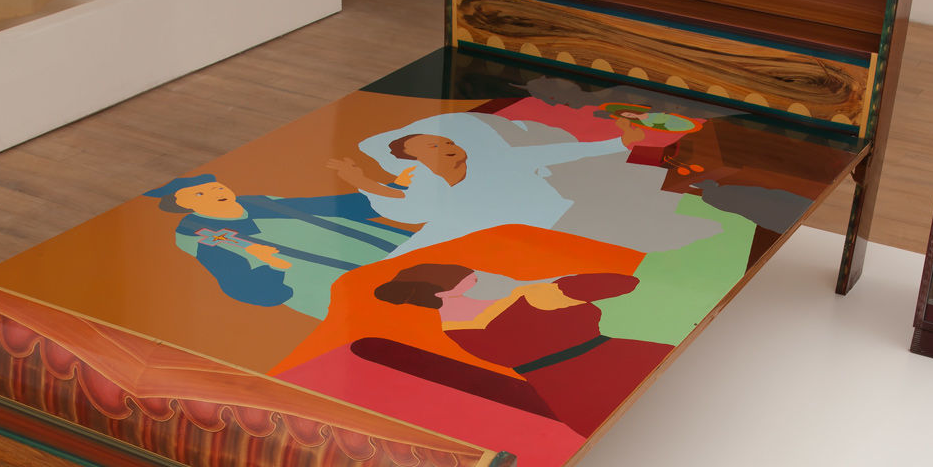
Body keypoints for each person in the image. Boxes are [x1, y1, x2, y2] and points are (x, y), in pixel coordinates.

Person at [329, 112, 720, 256]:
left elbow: (567, 153)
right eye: (432, 147)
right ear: (418, 161)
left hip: (561, 224)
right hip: (494, 242)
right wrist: (362, 181)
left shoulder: (501, 160)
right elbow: (406, 209)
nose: (446, 146)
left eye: (446, 140)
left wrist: (619, 141)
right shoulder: (427, 188)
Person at [373, 262, 673, 436]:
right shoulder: (531, 296)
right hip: (621, 365)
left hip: (564, 397)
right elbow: (625, 283)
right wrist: (538, 283)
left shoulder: (454, 331)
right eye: (475, 277)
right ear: (452, 288)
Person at [143, 174, 412, 317]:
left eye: (217, 187)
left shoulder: (256, 202)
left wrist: (388, 189)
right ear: (183, 205)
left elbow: (323, 206)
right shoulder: (203, 235)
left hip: (377, 247)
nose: (217, 193)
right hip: (330, 280)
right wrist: (271, 266)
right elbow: (240, 284)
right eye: (200, 193)